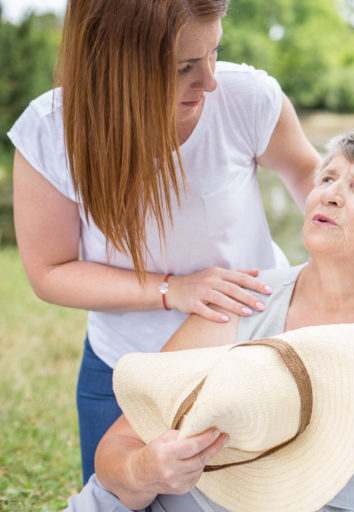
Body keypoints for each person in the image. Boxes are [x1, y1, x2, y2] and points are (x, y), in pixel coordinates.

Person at [66, 129, 354, 512]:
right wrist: (145, 469)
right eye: (328, 178)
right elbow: (121, 445)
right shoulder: (246, 299)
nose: (329, 195)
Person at [7, 0, 321, 484]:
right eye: (183, 67)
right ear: (113, 66)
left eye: (214, 52)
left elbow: (306, 173)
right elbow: (50, 273)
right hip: (123, 372)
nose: (210, 80)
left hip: (251, 361)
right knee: (117, 496)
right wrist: (172, 289)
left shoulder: (248, 97)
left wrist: (338, 262)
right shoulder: (50, 132)